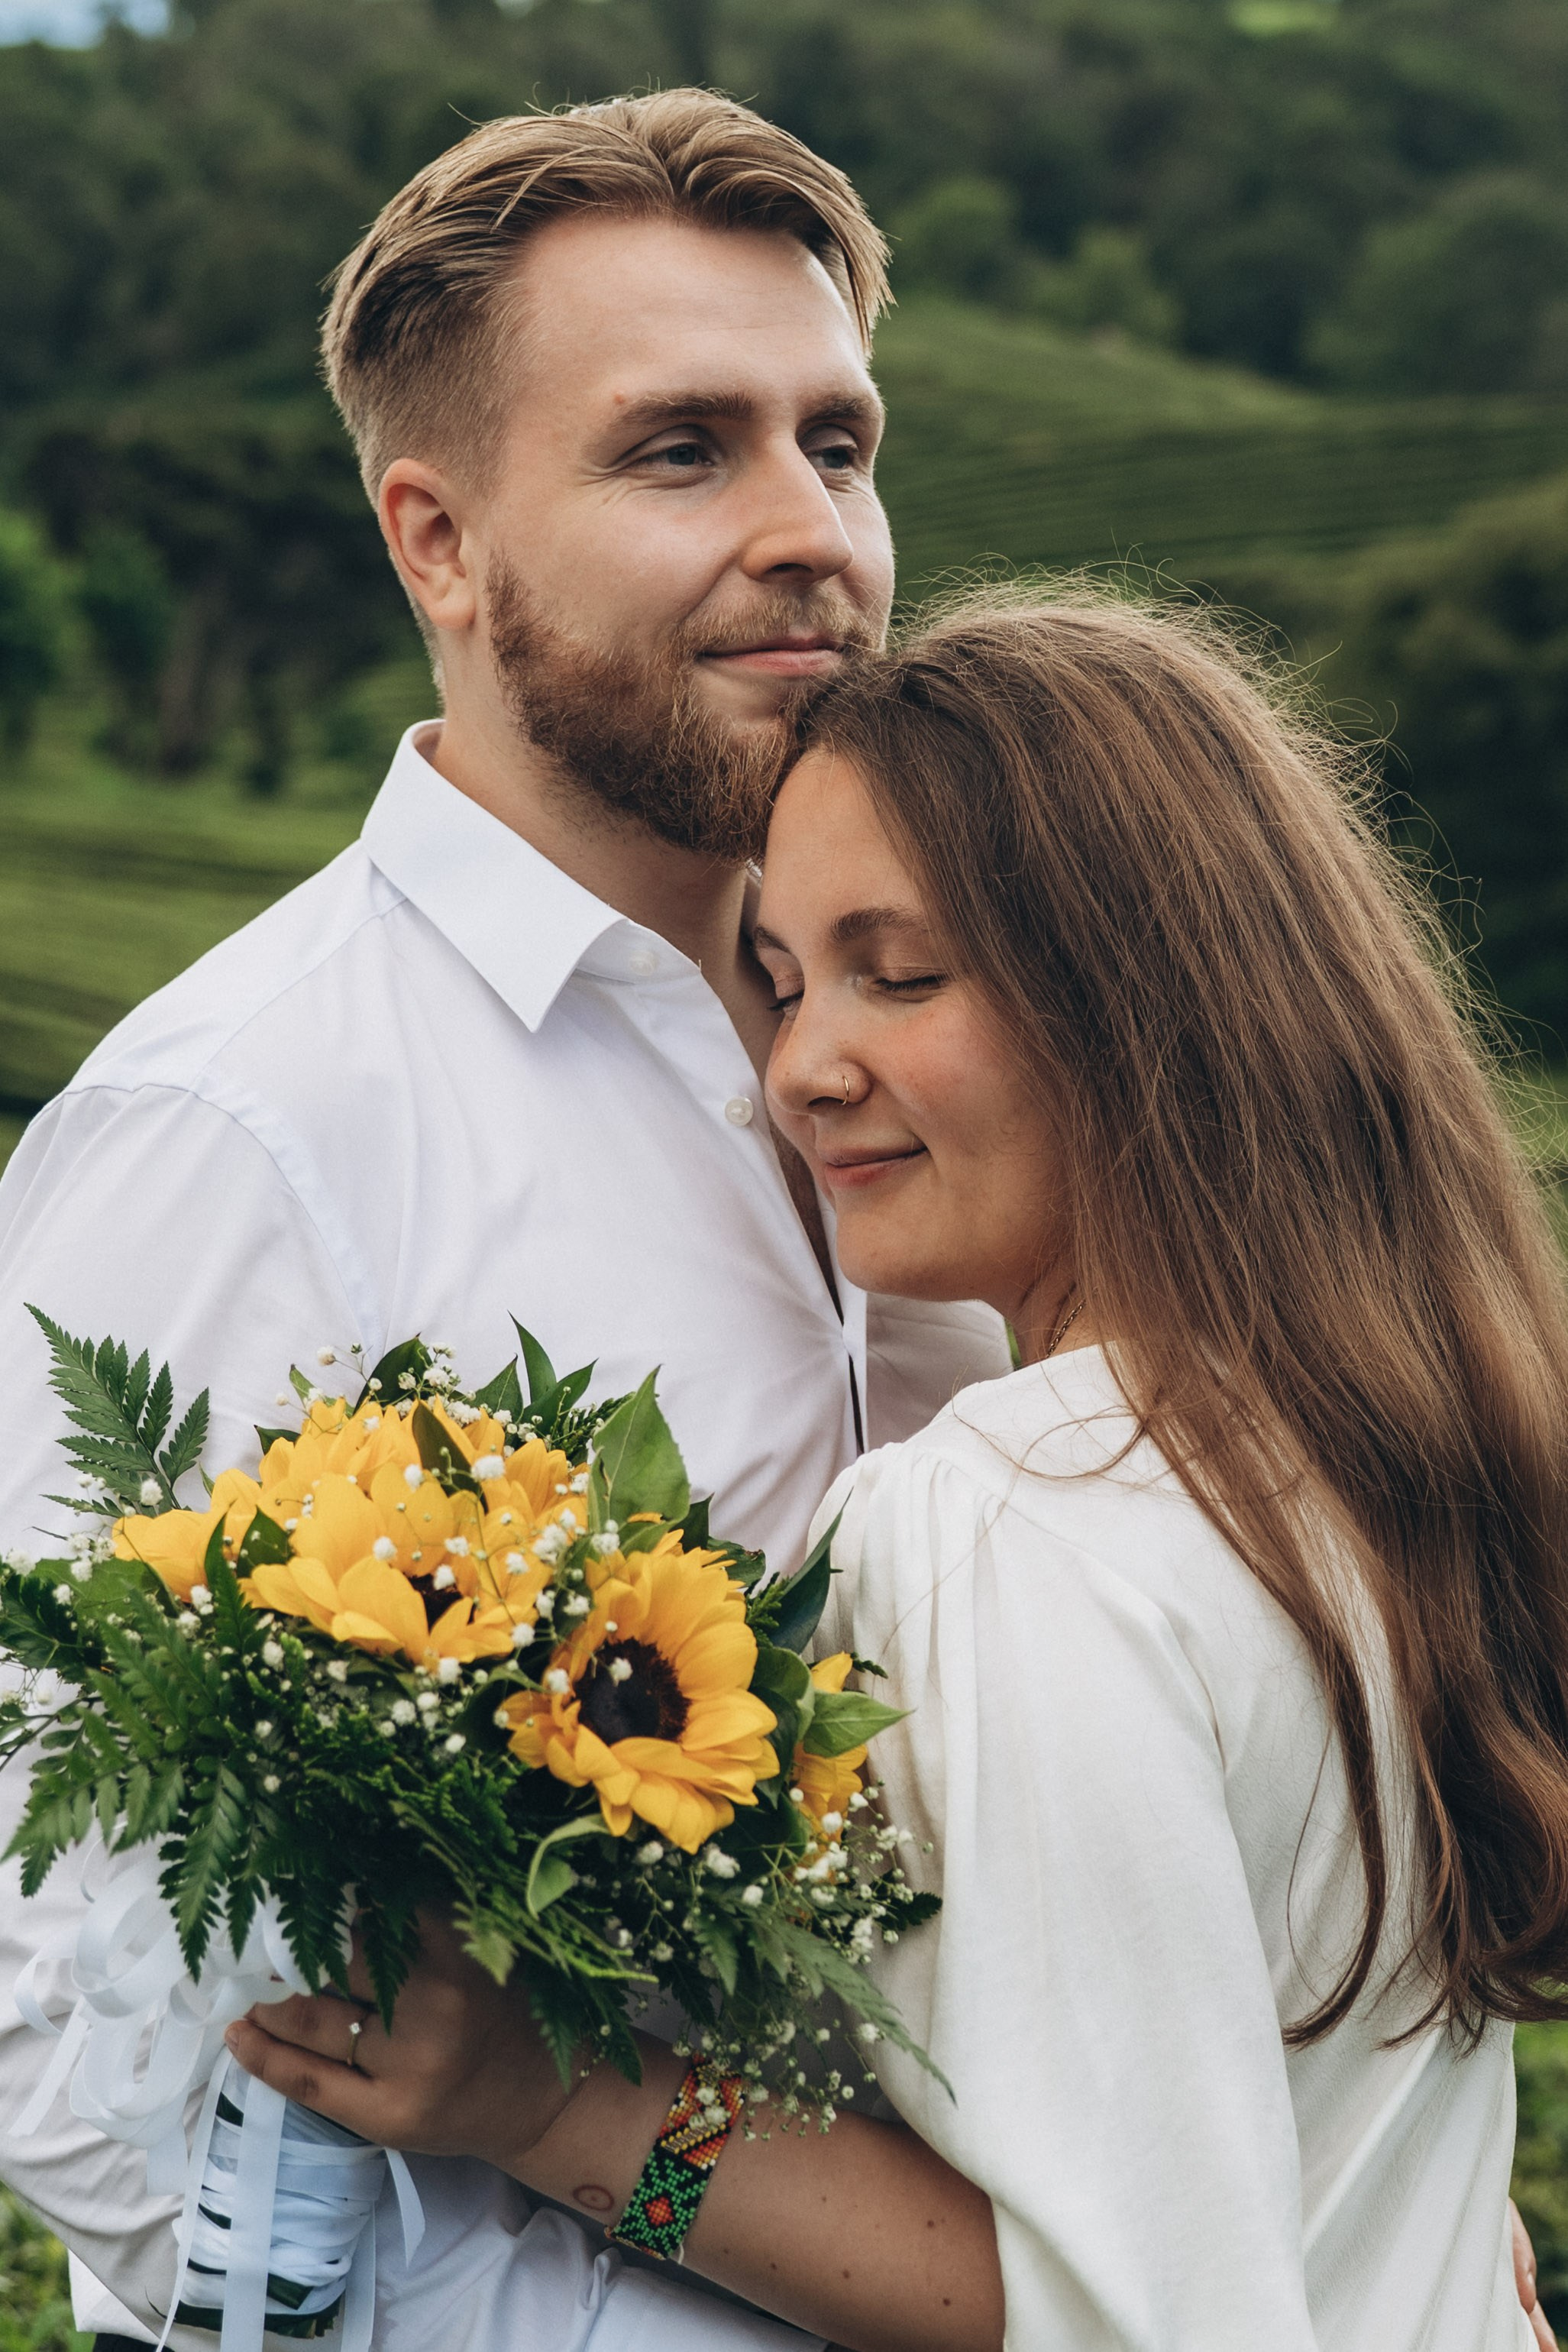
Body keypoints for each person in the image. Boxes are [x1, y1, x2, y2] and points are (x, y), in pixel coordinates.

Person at [230, 591, 1568, 2352]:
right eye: (779, 981)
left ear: (1151, 997)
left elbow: (1120, 2309)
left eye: (900, 972)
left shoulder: (1008, 1522)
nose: (801, 1068)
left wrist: (557, 2106)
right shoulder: (1372, 1450)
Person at [0, 92, 1007, 2350]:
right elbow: (63, 2011)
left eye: (834, 445)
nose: (807, 533)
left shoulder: (980, 1065)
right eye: (680, 453)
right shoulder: (236, 1129)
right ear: (435, 543)